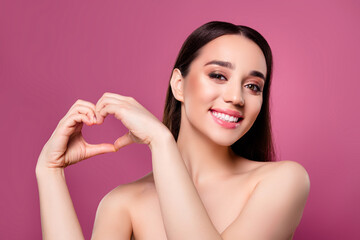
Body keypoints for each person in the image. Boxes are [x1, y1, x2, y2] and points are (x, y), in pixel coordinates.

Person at [36, 21, 310, 240]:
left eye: (253, 86)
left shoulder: (284, 181)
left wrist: (161, 140)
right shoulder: (124, 202)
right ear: (178, 85)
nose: (236, 97)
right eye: (218, 75)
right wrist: (49, 172)